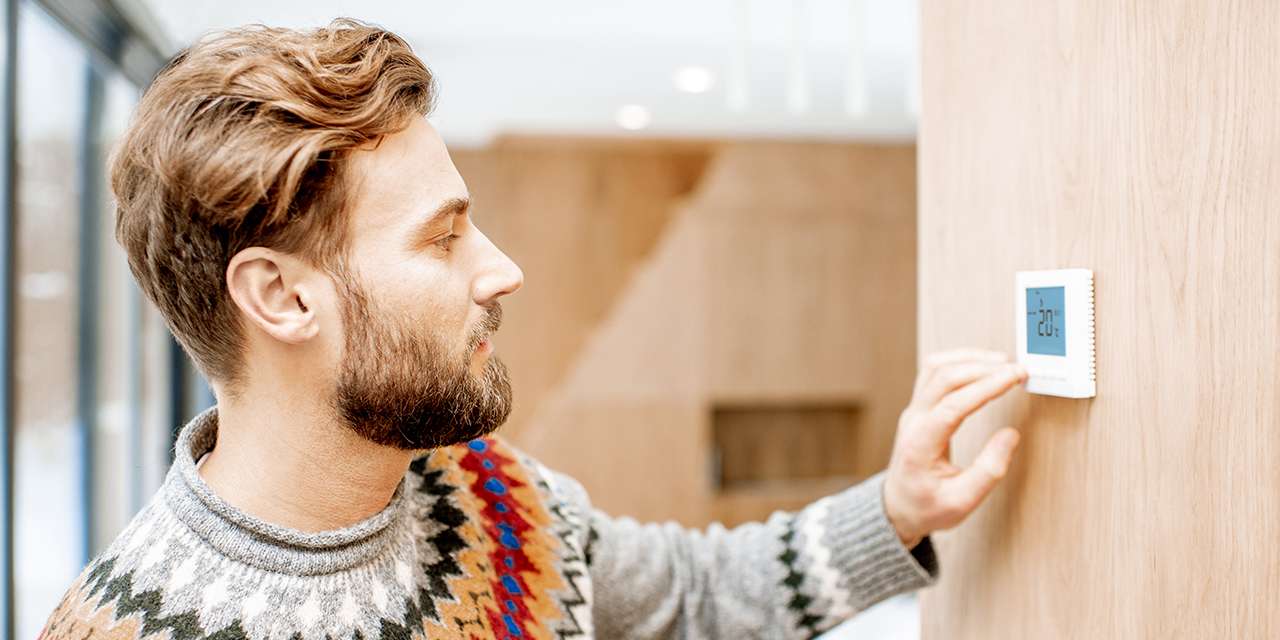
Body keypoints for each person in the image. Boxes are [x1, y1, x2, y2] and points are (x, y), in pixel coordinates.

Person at [39, 19, 1028, 640]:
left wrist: (896, 507)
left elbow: (689, 598)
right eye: (442, 240)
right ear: (283, 298)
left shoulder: (479, 486)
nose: (500, 269)